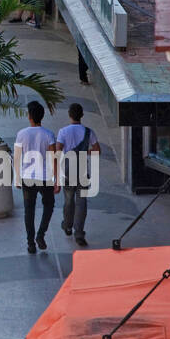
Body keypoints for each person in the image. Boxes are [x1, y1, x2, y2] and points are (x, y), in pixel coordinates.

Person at [15, 100, 59, 254]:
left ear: (29, 117)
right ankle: (41, 234)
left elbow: (17, 157)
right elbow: (54, 158)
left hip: (27, 177)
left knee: (29, 210)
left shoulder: (21, 134)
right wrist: (56, 180)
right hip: (45, 177)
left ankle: (30, 243)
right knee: (49, 205)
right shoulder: (48, 134)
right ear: (42, 116)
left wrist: (17, 177)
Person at [55, 103, 100, 247]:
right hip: (82, 171)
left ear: (69, 115)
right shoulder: (89, 132)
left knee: (69, 201)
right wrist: (85, 152)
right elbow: (97, 151)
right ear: (82, 115)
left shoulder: (63, 131)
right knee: (82, 203)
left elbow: (58, 151)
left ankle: (67, 225)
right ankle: (79, 233)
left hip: (68, 171)